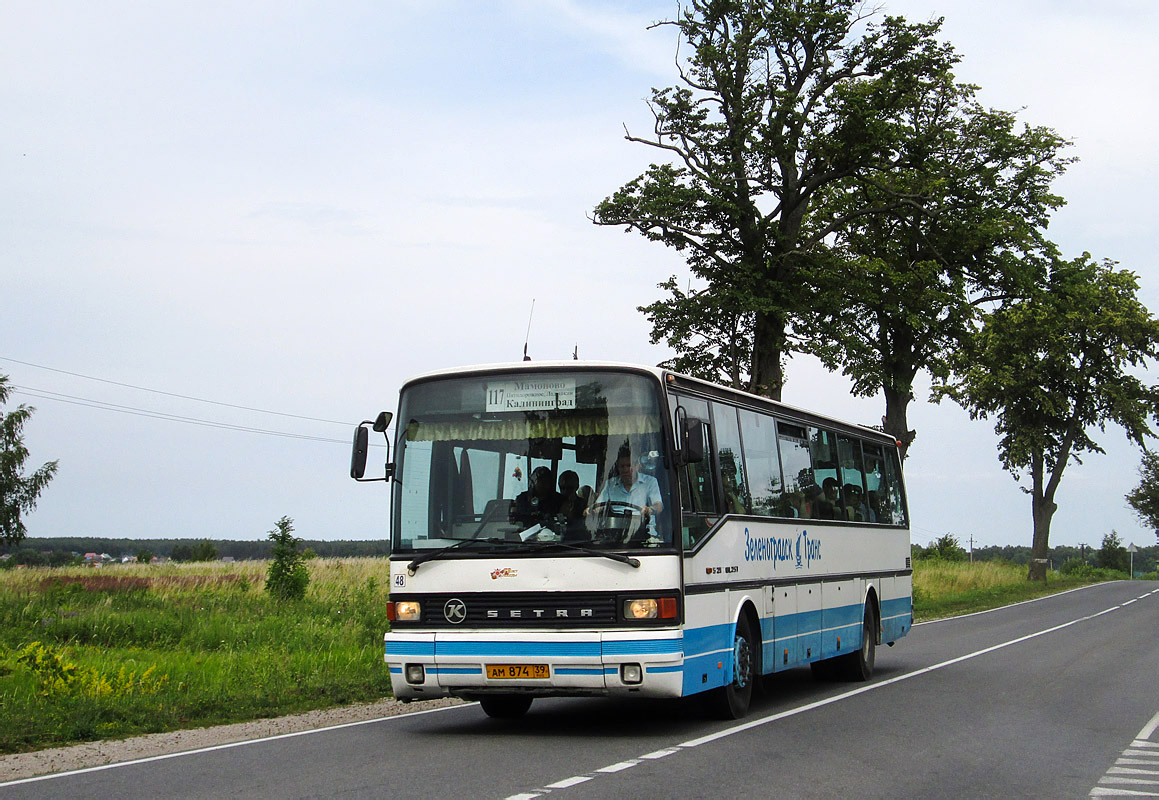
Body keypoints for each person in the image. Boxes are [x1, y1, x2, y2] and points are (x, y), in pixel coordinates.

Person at [591, 445, 663, 535]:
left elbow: (658, 506)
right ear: (618, 468)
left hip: (645, 533)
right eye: (622, 466)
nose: (625, 470)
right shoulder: (610, 484)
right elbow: (599, 505)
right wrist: (591, 510)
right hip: (615, 534)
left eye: (628, 466)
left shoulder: (650, 482)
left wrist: (649, 510)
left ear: (637, 466)